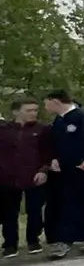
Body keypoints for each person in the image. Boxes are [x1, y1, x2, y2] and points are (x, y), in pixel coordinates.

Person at [42, 90, 84, 256]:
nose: (45, 107)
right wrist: (53, 159)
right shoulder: (58, 121)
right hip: (63, 171)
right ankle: (63, 240)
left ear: (55, 102)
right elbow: (54, 144)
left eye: (46, 103)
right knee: (63, 204)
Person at [0, 98, 49, 257]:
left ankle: (33, 240)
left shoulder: (43, 130)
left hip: (34, 176)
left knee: (34, 210)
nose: (33, 113)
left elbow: (48, 152)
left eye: (35, 110)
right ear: (16, 112)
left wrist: (43, 170)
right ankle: (10, 244)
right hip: (8, 177)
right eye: (28, 110)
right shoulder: (4, 130)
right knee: (9, 212)